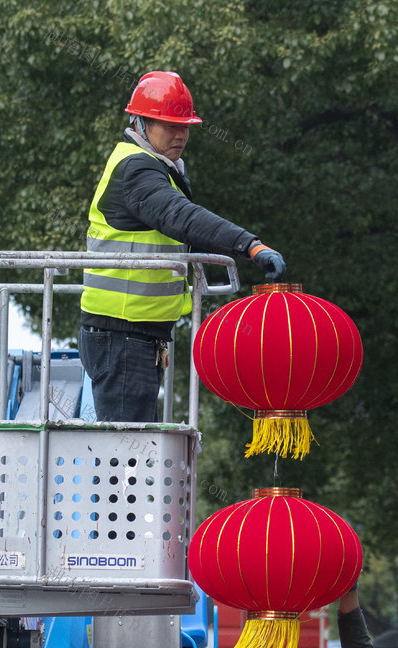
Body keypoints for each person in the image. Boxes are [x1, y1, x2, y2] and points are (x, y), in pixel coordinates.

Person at [79, 70, 285, 422]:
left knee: (131, 451)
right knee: (127, 456)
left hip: (135, 332)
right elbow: (182, 216)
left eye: (185, 126)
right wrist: (249, 245)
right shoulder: (137, 170)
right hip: (122, 332)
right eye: (169, 126)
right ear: (141, 123)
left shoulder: (155, 166)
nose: (180, 135)